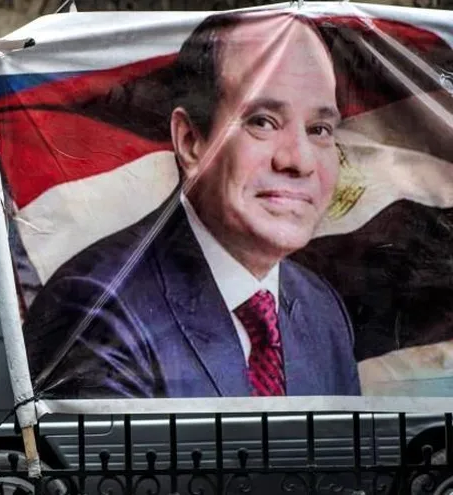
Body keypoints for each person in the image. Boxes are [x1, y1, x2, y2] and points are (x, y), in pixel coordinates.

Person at [23, 11, 361, 400]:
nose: (299, 161)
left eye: (319, 130)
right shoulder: (95, 307)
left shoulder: (322, 310)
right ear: (190, 142)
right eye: (263, 121)